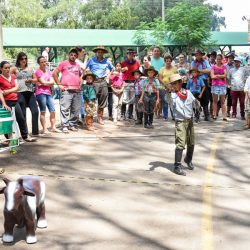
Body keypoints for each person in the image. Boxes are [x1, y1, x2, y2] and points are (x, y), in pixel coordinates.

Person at [0, 61, 36, 142]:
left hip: (15, 100)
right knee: (8, 121)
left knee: (21, 118)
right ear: (1, 68)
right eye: (5, 68)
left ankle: (25, 136)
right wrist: (4, 103)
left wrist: (7, 91)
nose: (7, 69)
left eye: (8, 68)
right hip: (6, 102)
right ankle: (9, 138)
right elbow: (0, 92)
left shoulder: (13, 76)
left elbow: (17, 87)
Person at [169, 74, 197, 176]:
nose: (174, 85)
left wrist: (198, 107)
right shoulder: (172, 96)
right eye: (172, 84)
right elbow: (172, 108)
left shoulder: (188, 93)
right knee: (180, 143)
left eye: (175, 83)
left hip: (190, 120)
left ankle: (188, 159)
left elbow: (194, 102)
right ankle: (177, 166)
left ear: (180, 82)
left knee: (191, 141)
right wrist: (175, 118)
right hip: (180, 121)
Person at [53, 48, 82, 133]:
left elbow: (80, 75)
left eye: (75, 55)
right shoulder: (63, 63)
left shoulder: (77, 65)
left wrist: (80, 84)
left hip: (76, 90)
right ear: (69, 55)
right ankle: (65, 125)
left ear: (76, 57)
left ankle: (72, 125)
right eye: (71, 54)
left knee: (76, 109)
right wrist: (59, 85)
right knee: (65, 109)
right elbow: (54, 73)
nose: (73, 56)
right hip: (66, 90)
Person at [12, 52, 39, 136]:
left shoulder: (30, 68)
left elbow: (36, 79)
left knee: (35, 111)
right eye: (22, 59)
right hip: (20, 93)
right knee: (23, 114)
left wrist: (31, 80)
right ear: (18, 60)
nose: (24, 60)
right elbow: (7, 77)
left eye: (25, 58)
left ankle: (35, 132)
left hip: (30, 92)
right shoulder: (14, 69)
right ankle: (25, 134)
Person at [86, 46, 114, 125]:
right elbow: (86, 68)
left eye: (101, 52)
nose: (100, 53)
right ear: (96, 53)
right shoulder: (91, 60)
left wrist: (108, 75)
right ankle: (90, 118)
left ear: (103, 53)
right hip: (94, 82)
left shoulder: (107, 61)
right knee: (91, 100)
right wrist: (88, 76)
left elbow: (112, 68)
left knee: (102, 100)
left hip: (103, 81)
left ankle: (100, 117)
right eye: (98, 52)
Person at [35, 56, 61, 134]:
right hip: (40, 93)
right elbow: (44, 82)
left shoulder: (48, 71)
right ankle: (44, 129)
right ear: (39, 63)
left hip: (48, 93)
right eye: (42, 62)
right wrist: (47, 83)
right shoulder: (38, 71)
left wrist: (46, 83)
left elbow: (51, 82)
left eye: (45, 61)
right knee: (43, 111)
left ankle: (53, 127)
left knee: (53, 110)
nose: (44, 63)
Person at [191, 49, 211, 121]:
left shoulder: (205, 61)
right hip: (195, 82)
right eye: (196, 54)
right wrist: (203, 71)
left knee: (205, 98)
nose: (198, 55)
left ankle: (206, 115)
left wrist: (200, 71)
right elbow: (193, 71)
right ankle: (197, 116)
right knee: (195, 98)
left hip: (204, 81)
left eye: (199, 54)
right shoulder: (193, 62)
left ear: (201, 55)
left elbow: (209, 70)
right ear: (195, 55)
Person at [121, 48, 140, 120]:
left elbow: (138, 72)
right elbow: (120, 72)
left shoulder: (137, 63)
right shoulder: (123, 63)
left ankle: (130, 114)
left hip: (133, 82)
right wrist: (122, 70)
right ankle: (123, 114)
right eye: (129, 53)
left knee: (132, 99)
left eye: (132, 54)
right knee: (124, 98)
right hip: (125, 82)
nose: (131, 55)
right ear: (127, 54)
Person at [158, 54, 178, 120]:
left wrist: (172, 85)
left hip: (173, 87)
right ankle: (165, 116)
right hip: (163, 87)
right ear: (165, 61)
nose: (168, 62)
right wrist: (166, 85)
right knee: (165, 102)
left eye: (169, 61)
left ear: (171, 61)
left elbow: (177, 78)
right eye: (167, 61)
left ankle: (174, 116)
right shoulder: (162, 69)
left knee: (173, 102)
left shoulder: (174, 69)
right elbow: (160, 78)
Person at [210, 54, 228, 120]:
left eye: (219, 59)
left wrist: (217, 76)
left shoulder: (224, 67)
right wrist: (221, 75)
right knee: (215, 101)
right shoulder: (213, 67)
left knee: (223, 101)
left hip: (222, 85)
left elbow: (225, 75)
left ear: (221, 59)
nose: (218, 60)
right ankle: (214, 114)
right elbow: (212, 76)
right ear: (215, 59)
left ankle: (224, 116)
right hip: (215, 85)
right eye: (217, 59)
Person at [75, 46, 88, 123]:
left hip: (82, 83)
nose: (84, 53)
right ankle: (79, 118)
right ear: (79, 52)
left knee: (82, 101)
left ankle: (82, 117)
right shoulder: (76, 61)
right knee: (79, 102)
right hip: (77, 84)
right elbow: (83, 67)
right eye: (83, 52)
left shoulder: (78, 61)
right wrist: (86, 60)